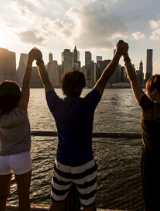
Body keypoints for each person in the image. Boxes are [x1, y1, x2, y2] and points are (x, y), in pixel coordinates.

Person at [34, 40, 126, 211]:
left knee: (55, 205)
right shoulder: (87, 104)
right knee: (89, 207)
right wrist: (118, 54)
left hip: (62, 164)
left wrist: (39, 61)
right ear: (83, 86)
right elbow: (104, 78)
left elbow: (46, 82)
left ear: (62, 87)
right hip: (85, 165)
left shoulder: (56, 105)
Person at [122, 40, 160, 211]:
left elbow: (132, 79)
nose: (145, 92)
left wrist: (125, 56)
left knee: (150, 200)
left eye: (147, 89)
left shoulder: (147, 106)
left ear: (154, 91)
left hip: (150, 161)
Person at [0, 48, 37, 211]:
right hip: (21, 155)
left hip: (1, 157)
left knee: (1, 196)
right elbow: (26, 84)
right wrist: (29, 62)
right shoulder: (21, 110)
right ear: (17, 96)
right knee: (23, 195)